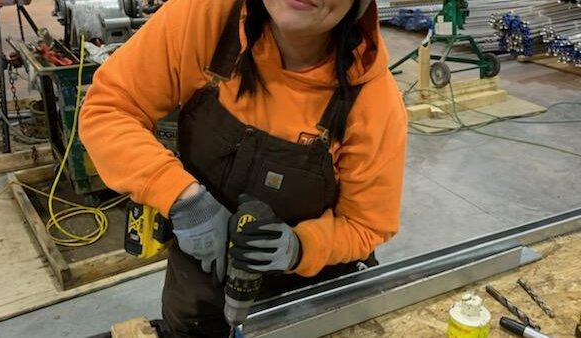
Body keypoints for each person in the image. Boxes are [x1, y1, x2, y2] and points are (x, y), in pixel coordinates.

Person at [80, 0, 407, 336]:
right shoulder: (206, 18)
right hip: (201, 277)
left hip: (311, 294)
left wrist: (300, 247)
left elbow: (367, 225)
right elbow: (108, 109)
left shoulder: (372, 100)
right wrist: (182, 198)